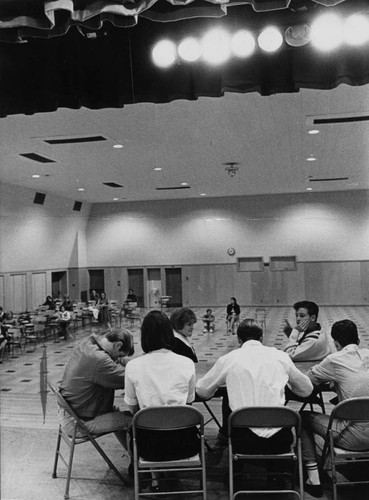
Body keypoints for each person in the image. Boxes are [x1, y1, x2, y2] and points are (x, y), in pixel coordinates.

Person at [196, 319, 313, 456]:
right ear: (261, 338)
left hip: (242, 439)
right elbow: (306, 390)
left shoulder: (229, 359)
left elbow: (202, 391)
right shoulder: (280, 356)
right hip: (280, 439)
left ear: (239, 340)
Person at [124, 310, 198, 491]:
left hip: (148, 446)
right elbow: (188, 405)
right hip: (185, 444)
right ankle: (169, 475)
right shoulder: (186, 363)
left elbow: (133, 408)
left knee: (138, 423)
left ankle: (156, 479)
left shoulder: (133, 366)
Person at [300, 319, 369, 498]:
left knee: (302, 418)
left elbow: (307, 383)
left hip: (354, 438)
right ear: (358, 340)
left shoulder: (334, 359)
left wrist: (331, 379)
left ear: (336, 343)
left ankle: (314, 478)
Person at [59, 329, 134, 455]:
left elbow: (117, 361)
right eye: (120, 354)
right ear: (118, 345)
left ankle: (133, 455)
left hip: (69, 414)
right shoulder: (100, 360)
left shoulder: (90, 344)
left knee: (116, 413)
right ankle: (138, 465)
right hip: (79, 424)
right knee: (133, 420)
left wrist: (135, 363)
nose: (119, 359)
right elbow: (130, 378)